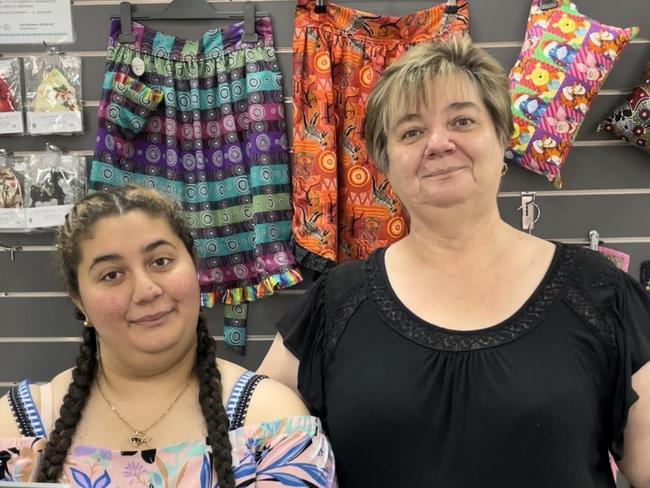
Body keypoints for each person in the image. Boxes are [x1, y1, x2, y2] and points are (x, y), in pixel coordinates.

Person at [259, 37, 650, 487]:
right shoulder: (335, 304)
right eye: (411, 131)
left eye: (462, 120)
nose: (439, 143)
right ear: (384, 163)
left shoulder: (600, 291)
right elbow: (254, 444)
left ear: (502, 137)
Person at [0, 185, 337, 487]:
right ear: (78, 299)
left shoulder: (272, 421)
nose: (146, 291)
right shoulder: (16, 426)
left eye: (160, 261)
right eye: (112, 275)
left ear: (194, 267)